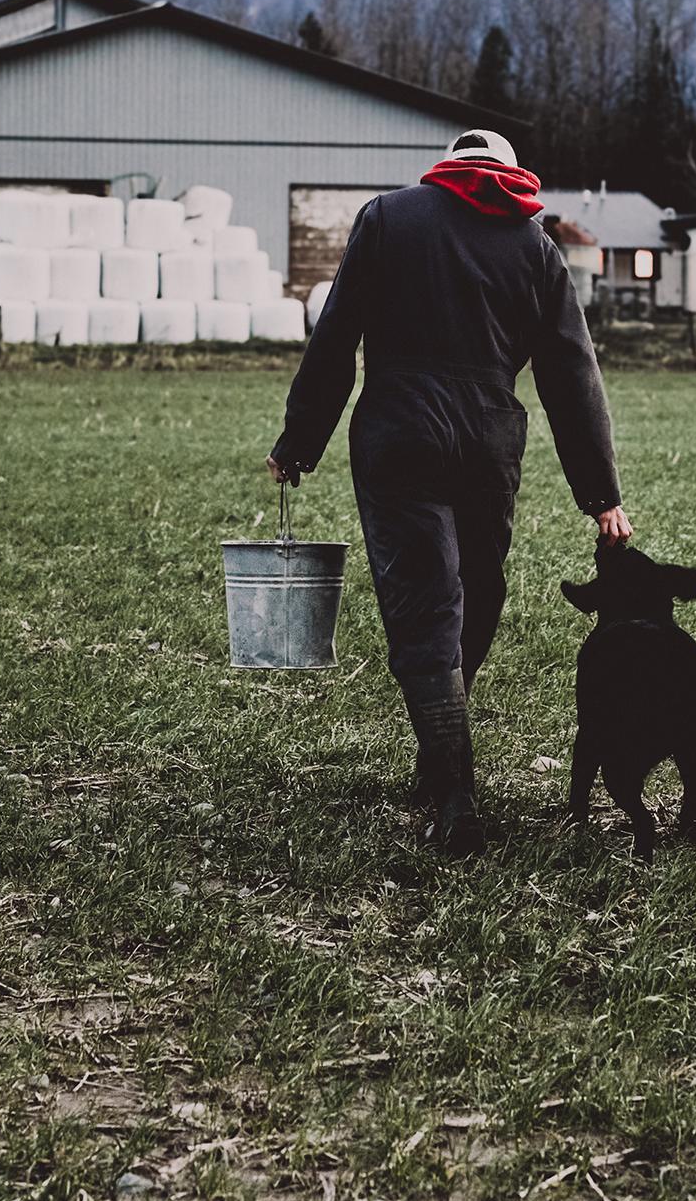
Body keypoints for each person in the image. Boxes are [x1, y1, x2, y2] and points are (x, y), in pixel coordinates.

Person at [266, 130, 631, 855]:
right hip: (490, 437)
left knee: (425, 601)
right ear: (507, 171)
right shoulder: (535, 245)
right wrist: (601, 494)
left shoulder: (388, 217)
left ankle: (453, 787)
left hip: (399, 428)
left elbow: (336, 336)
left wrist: (299, 442)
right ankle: (443, 764)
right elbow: (571, 372)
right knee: (478, 589)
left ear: (449, 164)